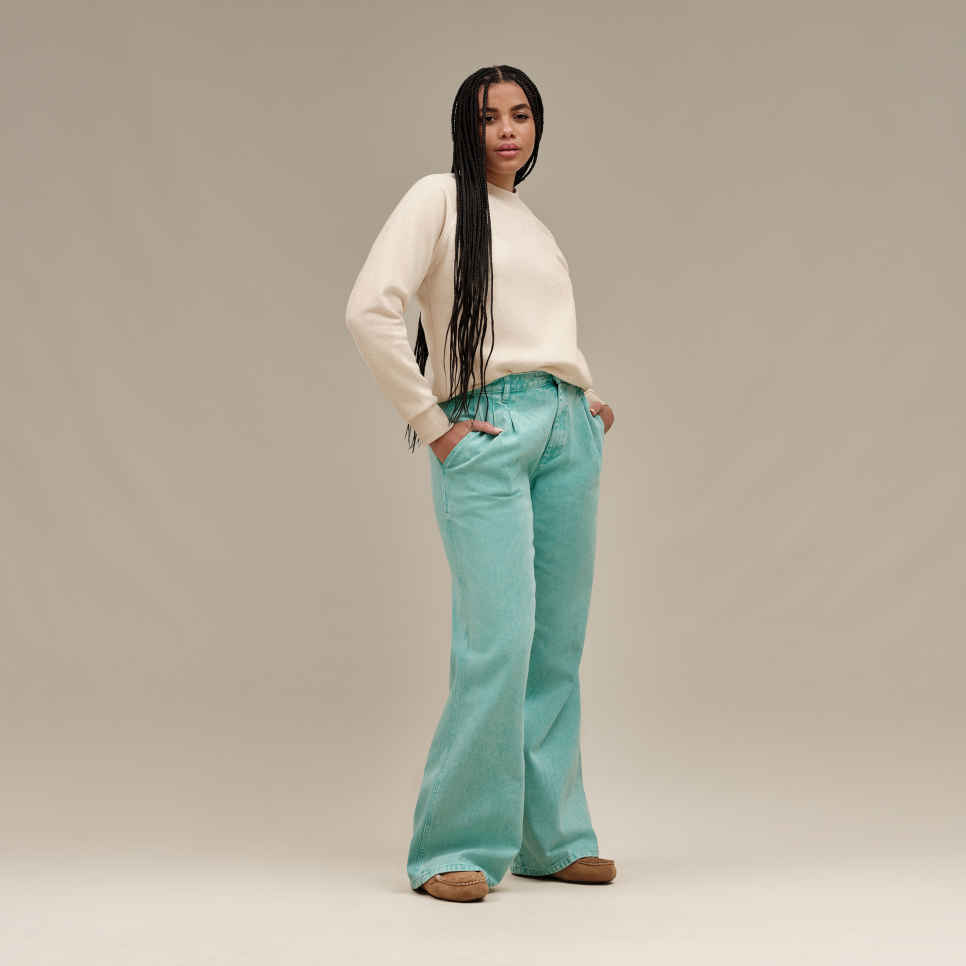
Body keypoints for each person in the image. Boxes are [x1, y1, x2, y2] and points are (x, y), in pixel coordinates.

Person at [345, 64, 618, 902]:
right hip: (486, 433)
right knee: (498, 639)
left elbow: (535, 332)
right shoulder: (438, 198)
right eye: (489, 116)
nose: (507, 129)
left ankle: (550, 836)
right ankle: (452, 846)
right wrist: (432, 423)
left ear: (538, 128)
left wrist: (581, 397)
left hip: (565, 431)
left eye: (521, 114)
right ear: (465, 128)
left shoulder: (533, 225)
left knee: (556, 646)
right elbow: (370, 309)